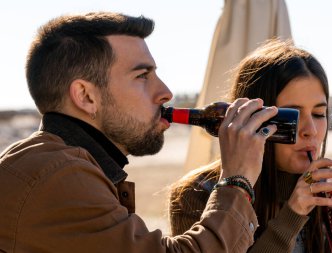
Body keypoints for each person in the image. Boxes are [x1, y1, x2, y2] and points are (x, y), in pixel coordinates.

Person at [0, 12, 281, 252]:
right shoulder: (57, 174)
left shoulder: (53, 161)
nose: (166, 92)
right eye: (142, 76)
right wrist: (237, 179)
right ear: (86, 96)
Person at [169, 39, 332, 252]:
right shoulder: (198, 193)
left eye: (318, 114)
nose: (311, 131)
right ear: (250, 119)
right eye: (292, 117)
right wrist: (293, 215)